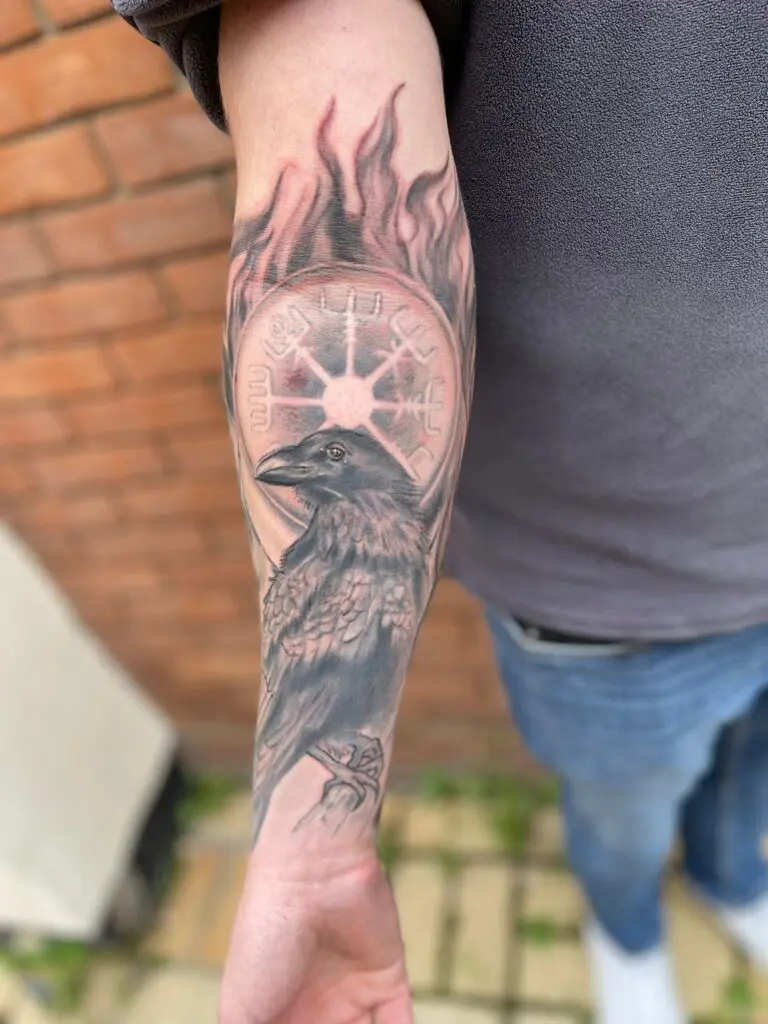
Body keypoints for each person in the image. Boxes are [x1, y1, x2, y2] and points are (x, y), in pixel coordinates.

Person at [114, 2, 768, 1021]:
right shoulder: (346, 539)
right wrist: (314, 847)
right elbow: (337, 134)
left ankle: (732, 879)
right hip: (614, 597)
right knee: (625, 820)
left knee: (751, 773)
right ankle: (625, 931)